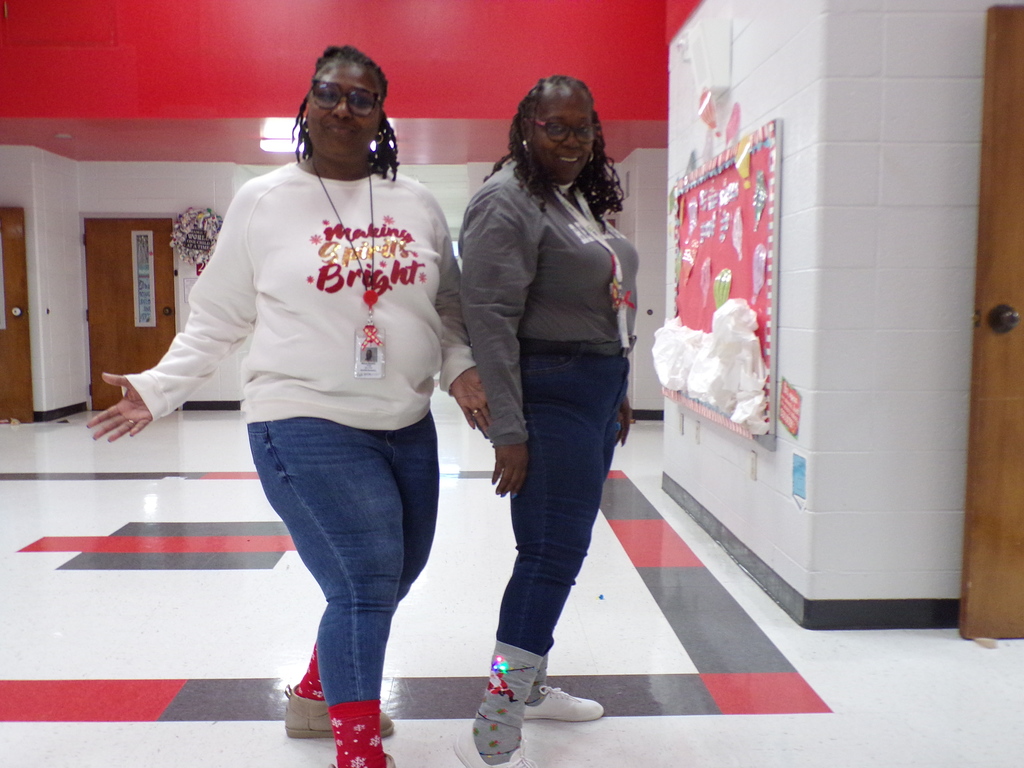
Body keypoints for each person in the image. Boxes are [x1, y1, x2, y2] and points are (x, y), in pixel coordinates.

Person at [87, 45, 489, 768]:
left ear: (380, 116)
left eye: (361, 97)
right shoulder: (265, 200)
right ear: (306, 104)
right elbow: (217, 317)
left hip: (406, 421)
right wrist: (160, 386)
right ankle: (357, 751)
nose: (343, 107)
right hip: (301, 418)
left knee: (399, 571)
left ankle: (315, 693)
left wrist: (460, 370)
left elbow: (450, 309)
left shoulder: (418, 203)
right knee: (367, 575)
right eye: (329, 93)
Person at [455, 75, 638, 768]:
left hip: (592, 390)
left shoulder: (571, 198)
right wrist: (509, 426)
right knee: (549, 555)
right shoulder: (506, 200)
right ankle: (500, 705)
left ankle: (526, 688)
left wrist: (617, 384)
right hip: (549, 391)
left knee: (559, 552)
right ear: (526, 125)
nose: (571, 140)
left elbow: (602, 298)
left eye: (583, 127)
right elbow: (489, 320)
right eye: (555, 126)